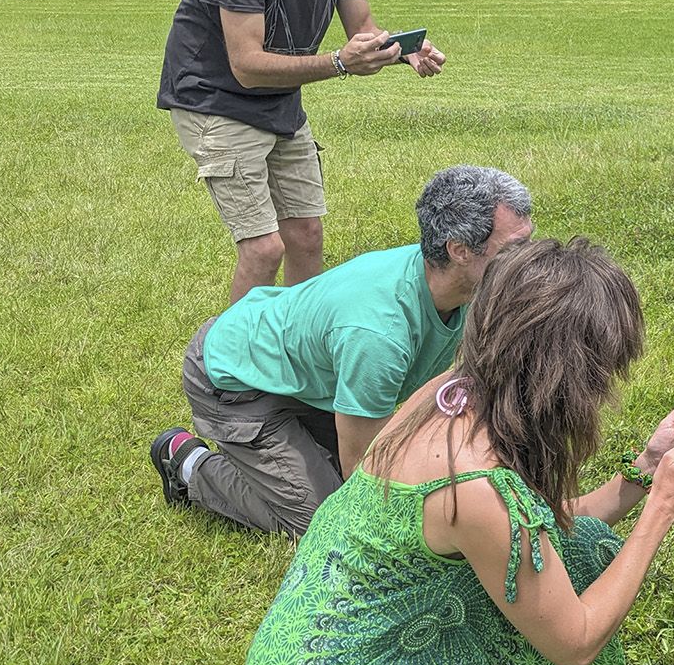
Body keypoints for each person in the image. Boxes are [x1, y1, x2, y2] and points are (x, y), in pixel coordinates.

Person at [244, 237, 674, 665]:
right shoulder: (480, 489)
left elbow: (543, 531)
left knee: (580, 544)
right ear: (566, 376)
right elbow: (577, 644)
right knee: (576, 575)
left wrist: (646, 471)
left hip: (304, 648)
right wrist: (663, 507)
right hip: (349, 661)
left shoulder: (449, 393)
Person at [158, 0, 449, 305]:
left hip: (280, 100)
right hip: (214, 99)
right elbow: (247, 66)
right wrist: (339, 63)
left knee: (307, 237)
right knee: (264, 248)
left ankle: (296, 356)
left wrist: (402, 51)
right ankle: (229, 372)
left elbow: (363, 29)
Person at [148, 165, 532, 536]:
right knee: (325, 518)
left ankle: (288, 451)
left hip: (298, 380)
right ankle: (188, 463)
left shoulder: (464, 289)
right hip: (230, 382)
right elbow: (361, 469)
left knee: (396, 465)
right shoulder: (378, 333)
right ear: (460, 250)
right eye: (517, 248)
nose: (530, 261)